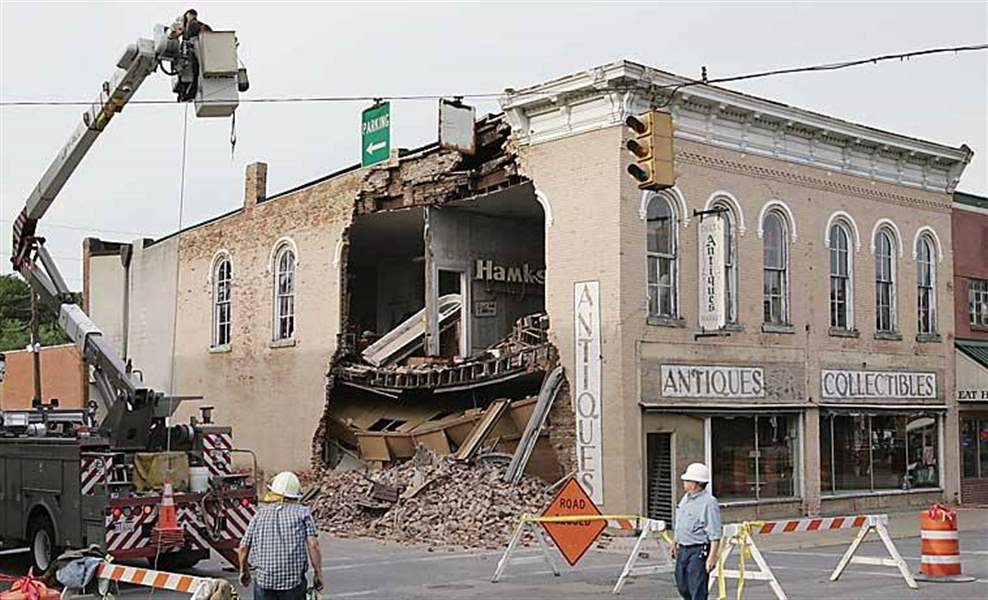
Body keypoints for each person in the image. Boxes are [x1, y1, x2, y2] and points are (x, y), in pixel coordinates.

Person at [239, 472, 324, 600]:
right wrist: (318, 574)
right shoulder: (303, 513)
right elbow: (313, 545)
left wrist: (244, 570)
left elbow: (243, 547)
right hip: (293, 583)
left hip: (264, 581)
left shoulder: (259, 514)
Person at [670, 463, 722, 600]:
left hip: (698, 550)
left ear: (696, 484)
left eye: (687, 480)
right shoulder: (685, 499)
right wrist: (675, 541)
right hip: (683, 548)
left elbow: (715, 533)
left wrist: (712, 557)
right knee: (682, 583)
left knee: (697, 587)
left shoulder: (709, 503)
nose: (684, 483)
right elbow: (680, 521)